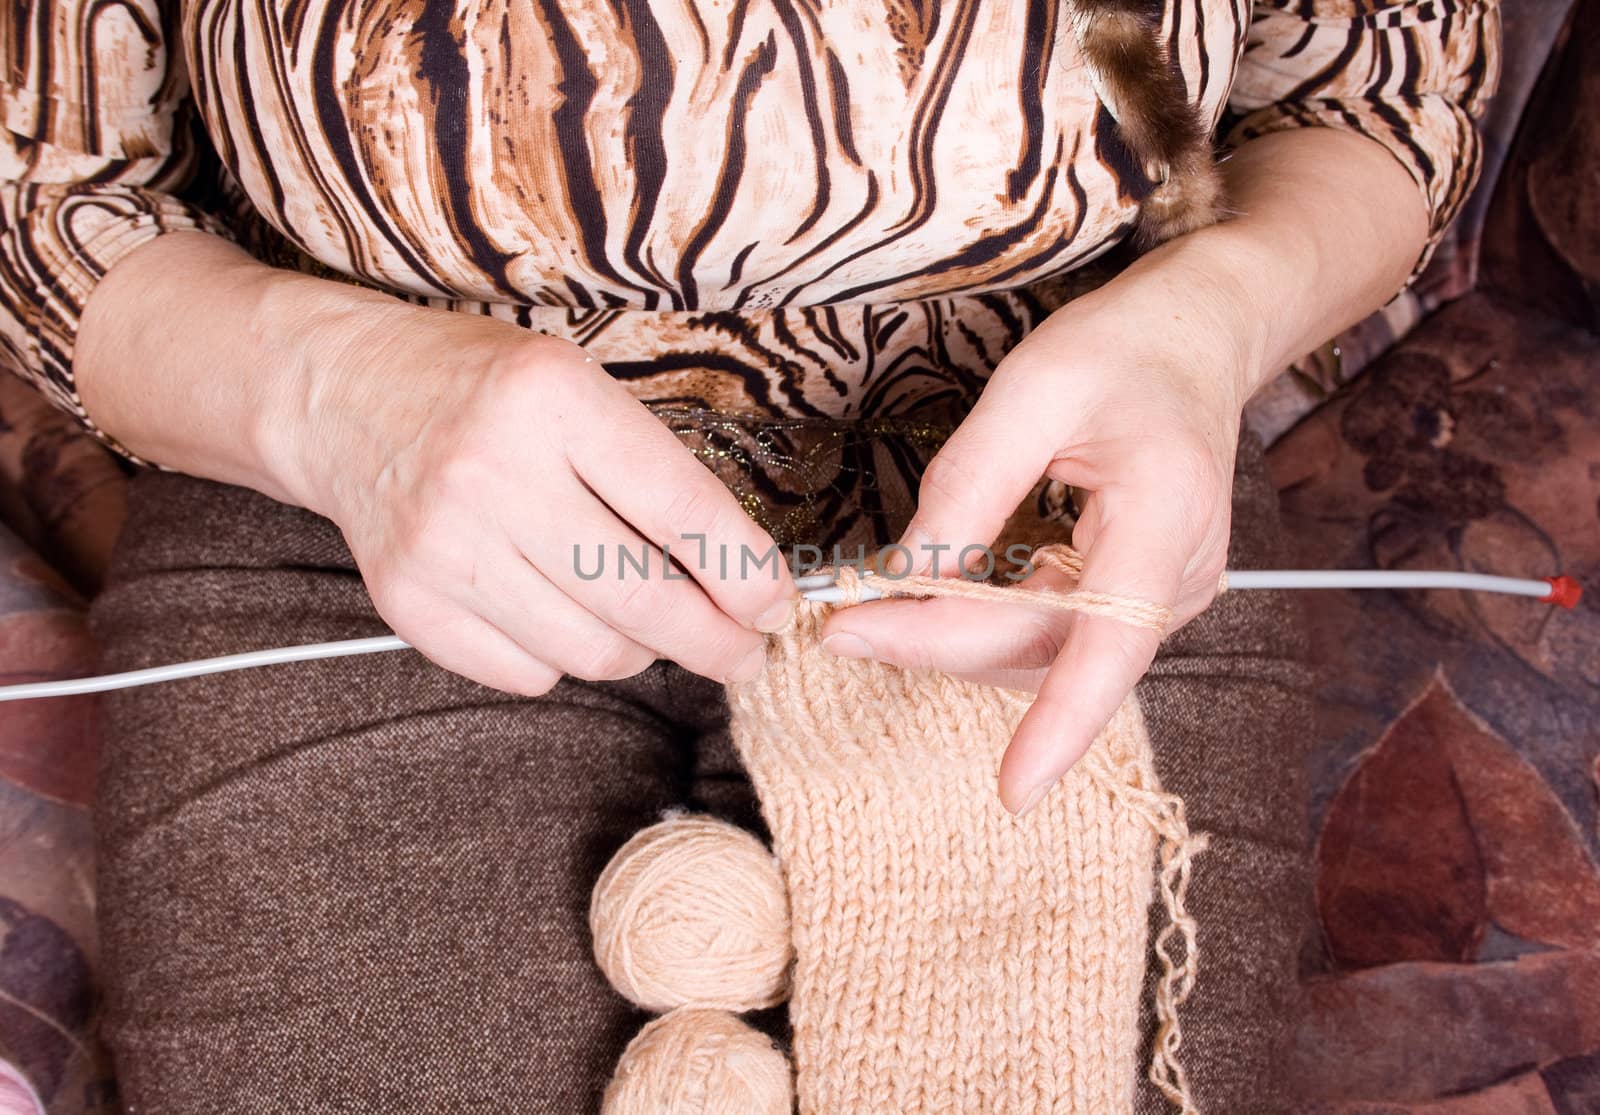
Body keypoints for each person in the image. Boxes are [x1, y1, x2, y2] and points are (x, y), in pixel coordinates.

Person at [0, 1, 1498, 1111]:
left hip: (1060, 515)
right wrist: (332, 400)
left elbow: (1380, 96)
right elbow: (43, 173)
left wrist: (1210, 321)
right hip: (355, 512)